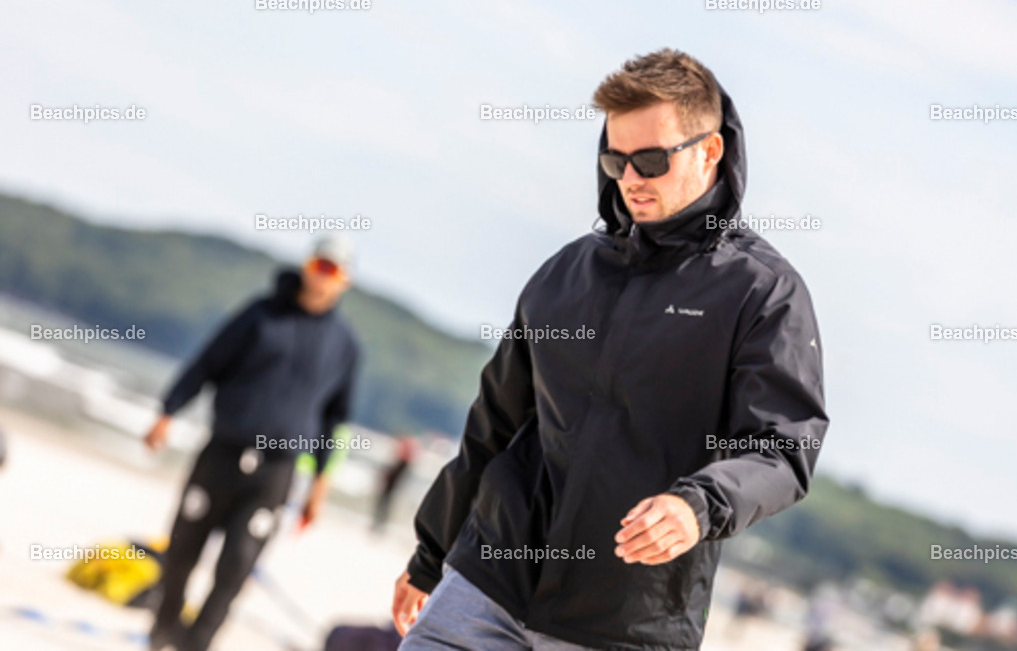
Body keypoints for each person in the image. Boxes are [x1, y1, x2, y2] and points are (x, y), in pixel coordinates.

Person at [392, 49, 828, 650]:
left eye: (650, 159)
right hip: (487, 585)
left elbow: (781, 449)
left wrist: (698, 505)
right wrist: (429, 556)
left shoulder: (762, 293)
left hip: (625, 623)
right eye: (615, 159)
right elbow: (491, 427)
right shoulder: (566, 274)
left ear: (710, 150)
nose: (630, 179)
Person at [144, 237, 361, 651]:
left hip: (276, 472)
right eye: (318, 264)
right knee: (182, 552)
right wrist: (168, 411)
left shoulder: (345, 346)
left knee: (236, 566)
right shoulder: (261, 316)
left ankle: (196, 644)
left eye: (332, 270)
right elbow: (208, 362)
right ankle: (162, 631)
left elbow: (337, 421)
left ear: (344, 281)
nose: (321, 276)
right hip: (222, 454)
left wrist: (321, 484)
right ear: (305, 265)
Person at [371, 437, 419, 533]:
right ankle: (379, 524)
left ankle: (379, 524)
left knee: (384, 504)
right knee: (386, 504)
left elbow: (392, 475)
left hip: (390, 487)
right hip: (391, 487)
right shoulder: (403, 465)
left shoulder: (401, 464)